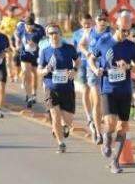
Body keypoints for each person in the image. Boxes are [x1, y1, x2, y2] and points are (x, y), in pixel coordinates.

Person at [89, 11, 135, 174]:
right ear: (116, 25)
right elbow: (92, 58)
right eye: (123, 29)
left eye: (129, 30)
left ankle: (115, 161)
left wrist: (129, 67)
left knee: (123, 127)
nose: (126, 33)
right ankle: (106, 140)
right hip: (108, 89)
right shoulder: (104, 41)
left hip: (125, 91)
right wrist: (94, 69)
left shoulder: (132, 46)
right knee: (111, 123)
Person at [38, 23, 80, 153]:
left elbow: (78, 60)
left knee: (68, 119)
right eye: (50, 33)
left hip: (67, 88)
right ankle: (61, 143)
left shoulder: (69, 48)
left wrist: (74, 70)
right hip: (51, 88)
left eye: (56, 32)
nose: (53, 35)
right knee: (55, 116)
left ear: (60, 34)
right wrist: (45, 70)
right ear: (47, 35)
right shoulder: (45, 51)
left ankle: (64, 127)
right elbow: (39, 70)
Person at [79, 11, 112, 144]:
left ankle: (107, 129)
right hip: (92, 69)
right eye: (100, 19)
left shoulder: (111, 33)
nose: (102, 22)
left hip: (108, 69)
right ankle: (98, 133)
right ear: (95, 20)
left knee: (107, 102)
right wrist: (87, 54)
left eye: (105, 19)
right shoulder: (89, 32)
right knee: (97, 101)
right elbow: (81, 45)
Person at [16, 14, 45, 108]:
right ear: (25, 25)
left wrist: (35, 43)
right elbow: (16, 35)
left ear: (34, 24)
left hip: (35, 55)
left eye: (31, 26)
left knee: (35, 74)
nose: (29, 28)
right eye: (27, 26)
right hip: (25, 55)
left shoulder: (39, 30)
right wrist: (17, 44)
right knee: (27, 73)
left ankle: (34, 94)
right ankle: (28, 97)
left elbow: (43, 40)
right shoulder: (21, 27)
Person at [72, 13, 95, 126]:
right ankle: (89, 116)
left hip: (94, 64)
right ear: (81, 23)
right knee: (85, 89)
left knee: (95, 90)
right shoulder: (76, 34)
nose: (87, 25)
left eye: (89, 23)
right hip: (82, 64)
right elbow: (74, 51)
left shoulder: (95, 33)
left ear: (92, 22)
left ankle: (96, 113)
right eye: (85, 23)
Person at [0, 6, 21, 82]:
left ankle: (16, 75)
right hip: (6, 41)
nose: (11, 13)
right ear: (7, 12)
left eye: (12, 11)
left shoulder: (17, 20)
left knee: (15, 60)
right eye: (10, 11)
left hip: (15, 41)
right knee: (8, 59)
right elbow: (1, 30)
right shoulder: (4, 20)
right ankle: (10, 75)